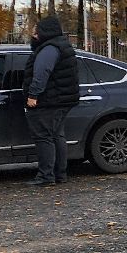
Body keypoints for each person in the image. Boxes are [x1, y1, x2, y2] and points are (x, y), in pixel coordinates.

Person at [24, 14, 81, 187]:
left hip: (49, 100)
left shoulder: (49, 49)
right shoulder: (61, 45)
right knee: (57, 136)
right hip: (60, 99)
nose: (34, 34)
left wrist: (33, 95)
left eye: (36, 31)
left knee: (44, 137)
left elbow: (42, 73)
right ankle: (59, 174)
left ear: (44, 31)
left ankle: (46, 176)